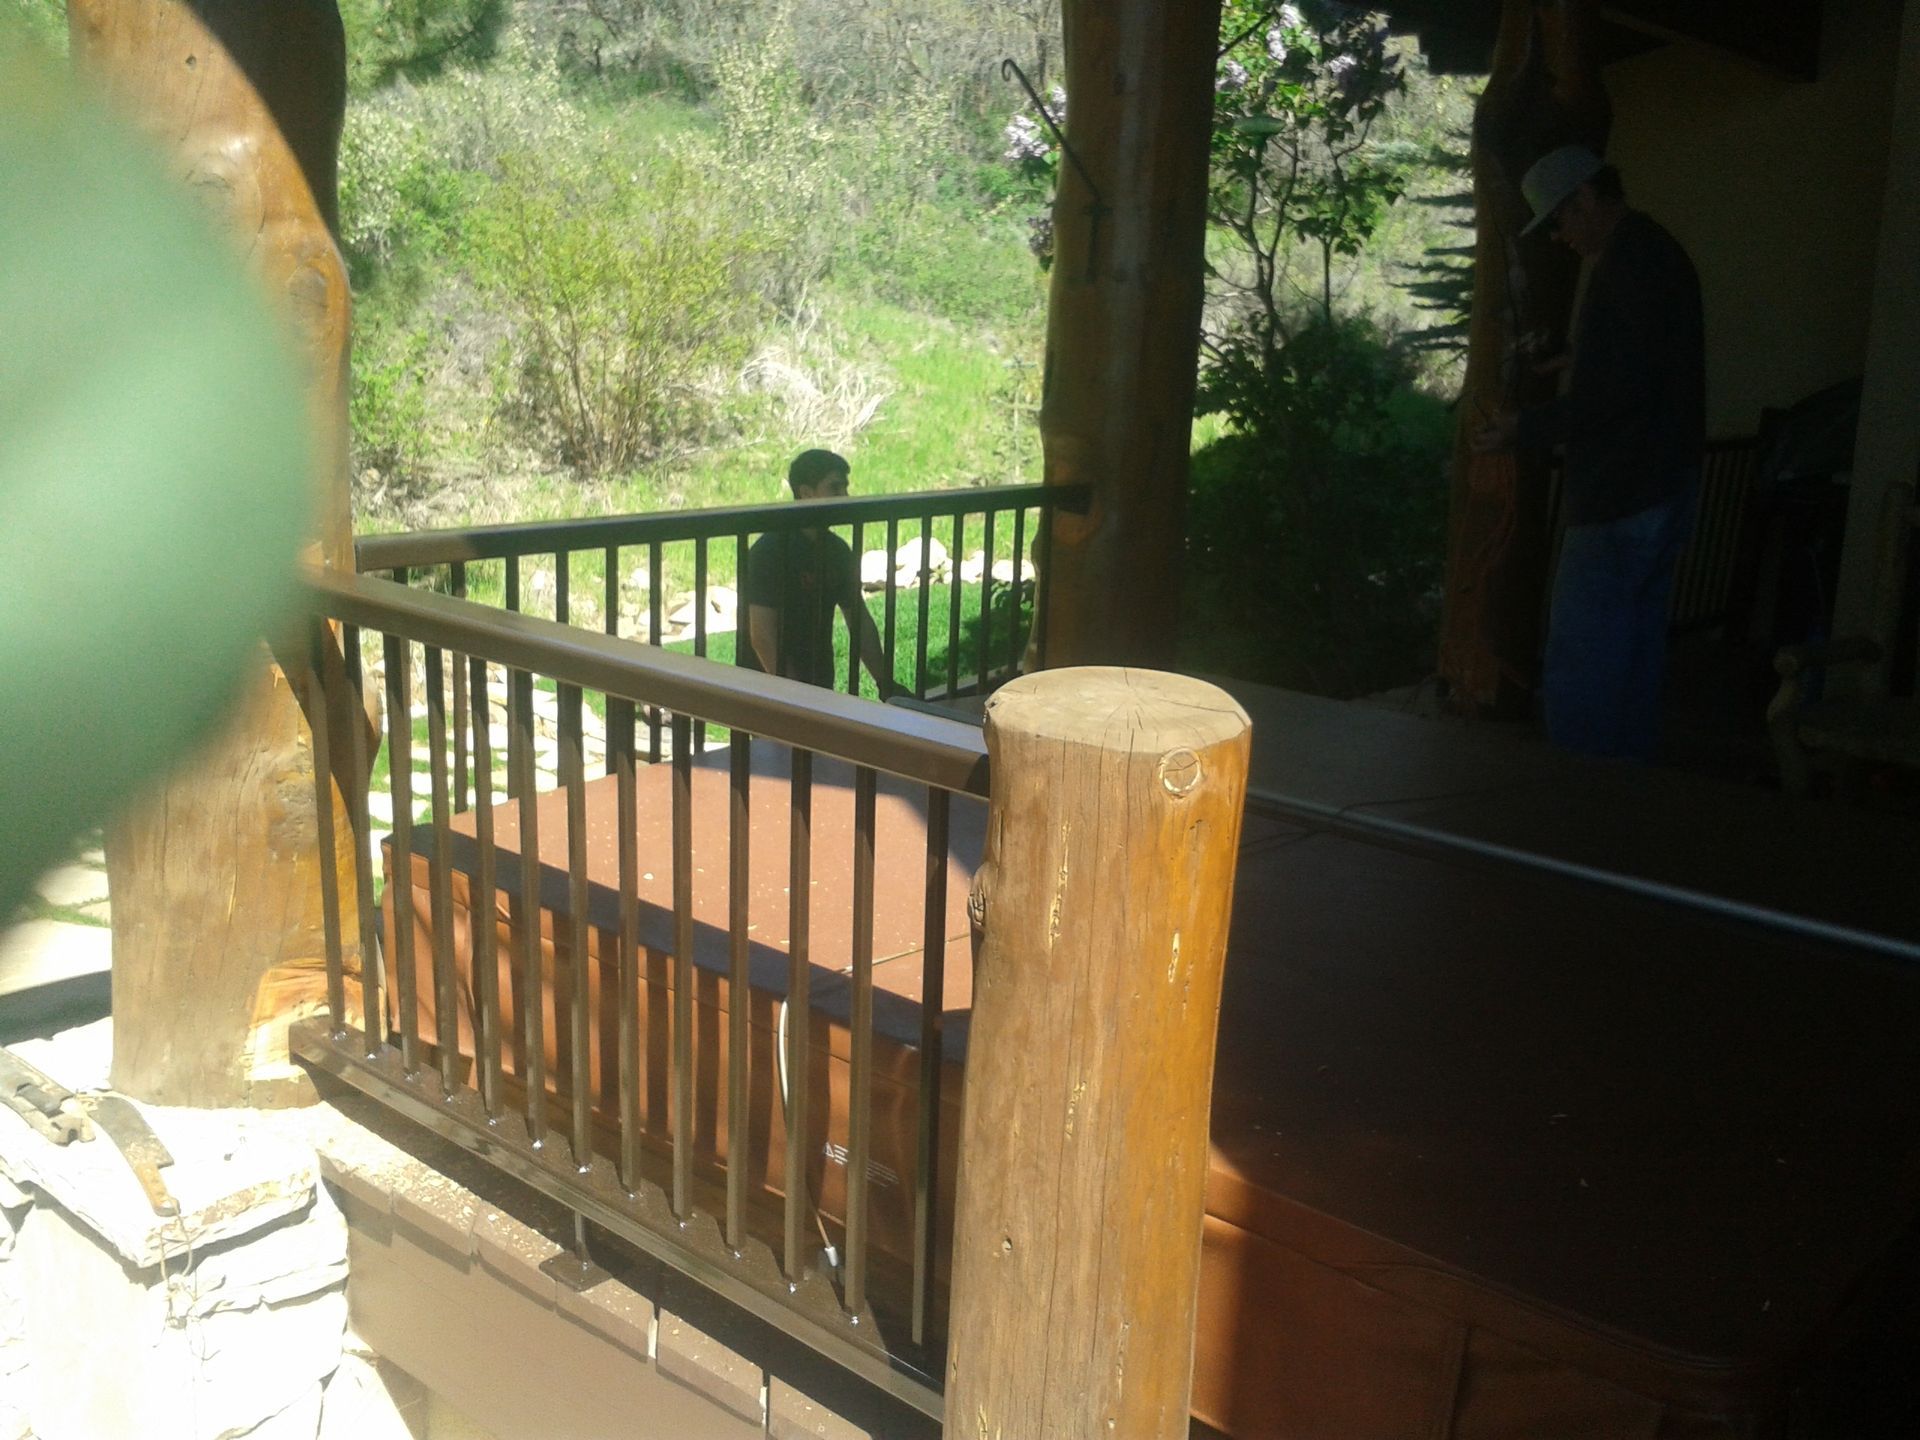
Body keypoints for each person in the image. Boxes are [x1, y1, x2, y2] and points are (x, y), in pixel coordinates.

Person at [1477, 144, 1705, 761]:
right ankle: (1620, 801)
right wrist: (1580, 358)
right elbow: (1652, 363)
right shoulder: (1656, 252)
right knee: (1633, 657)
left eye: (1559, 218)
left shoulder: (1627, 263)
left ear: (1587, 196)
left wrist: (1523, 428)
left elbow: (1619, 392)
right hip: (1663, 488)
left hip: (1619, 497)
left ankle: (1573, 806)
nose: (1558, 235)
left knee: (1583, 664)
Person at [743, 448, 894, 697]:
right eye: (835, 488)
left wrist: (885, 684)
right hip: (764, 694)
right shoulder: (769, 551)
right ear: (806, 493)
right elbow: (762, 635)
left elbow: (859, 621)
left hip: (818, 686)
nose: (845, 497)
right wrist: (790, 696)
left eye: (845, 487)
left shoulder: (837, 551)